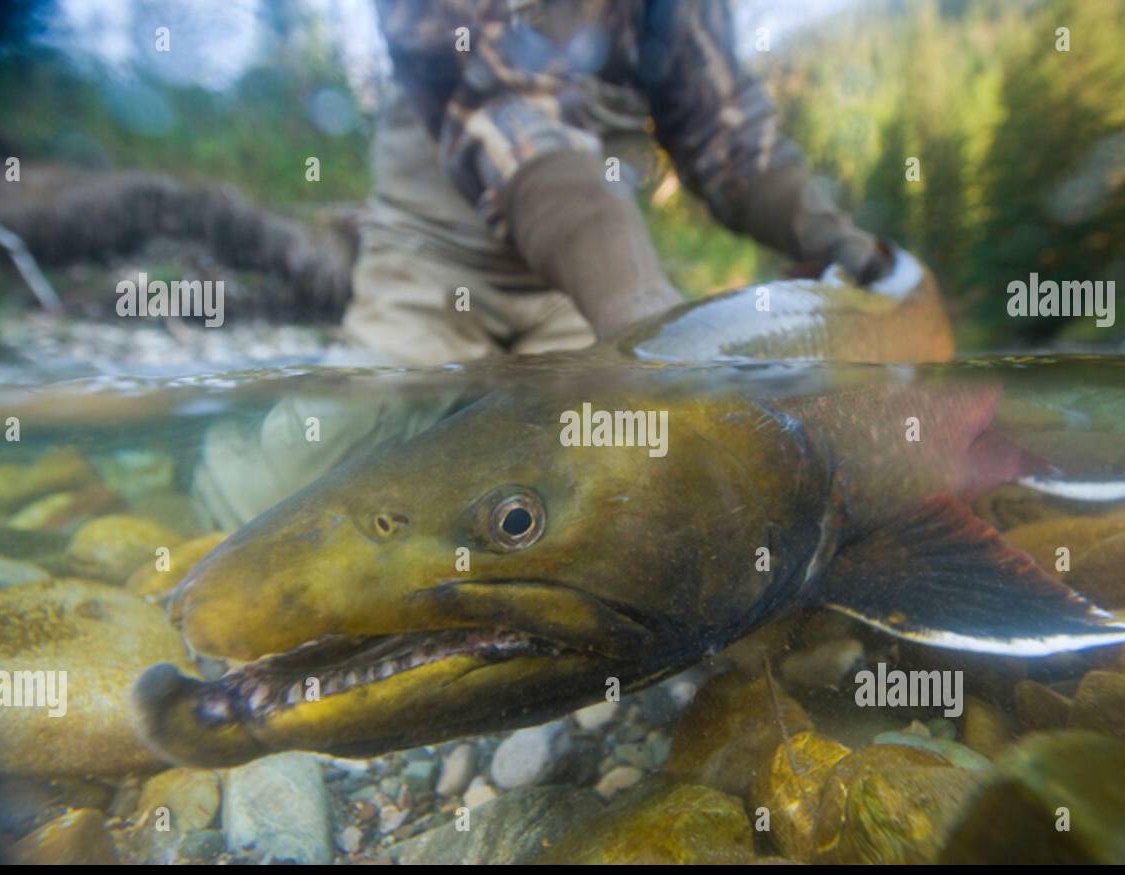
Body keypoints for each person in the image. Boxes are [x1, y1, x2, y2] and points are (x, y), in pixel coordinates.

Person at [192, 0, 895, 530]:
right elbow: (505, 108)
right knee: (273, 502)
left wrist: (843, 244)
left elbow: (730, 138)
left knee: (657, 497)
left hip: (581, 295)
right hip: (434, 268)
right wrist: (647, 321)